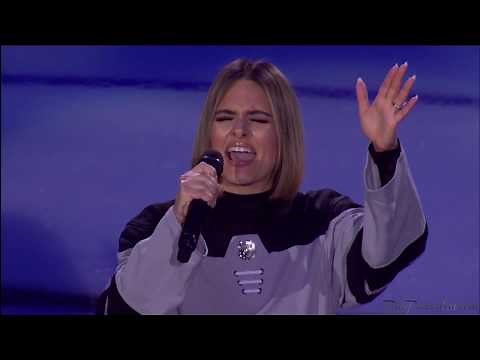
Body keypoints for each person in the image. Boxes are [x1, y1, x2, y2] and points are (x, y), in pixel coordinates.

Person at [97, 58, 428, 315]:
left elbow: (391, 249)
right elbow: (127, 308)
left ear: (284, 135)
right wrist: (179, 223)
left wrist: (385, 153)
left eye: (258, 120)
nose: (239, 130)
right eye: (225, 118)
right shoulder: (155, 227)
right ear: (208, 131)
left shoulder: (324, 221)